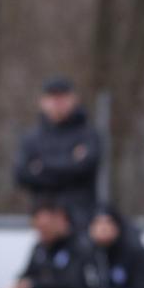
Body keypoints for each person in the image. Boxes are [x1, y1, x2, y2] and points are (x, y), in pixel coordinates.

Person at [14, 78, 101, 226]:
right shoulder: (31, 138)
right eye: (53, 98)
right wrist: (69, 163)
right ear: (42, 101)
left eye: (62, 97)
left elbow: (86, 167)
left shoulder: (89, 135)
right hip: (43, 222)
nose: (57, 103)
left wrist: (42, 168)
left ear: (74, 99)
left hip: (81, 220)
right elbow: (21, 175)